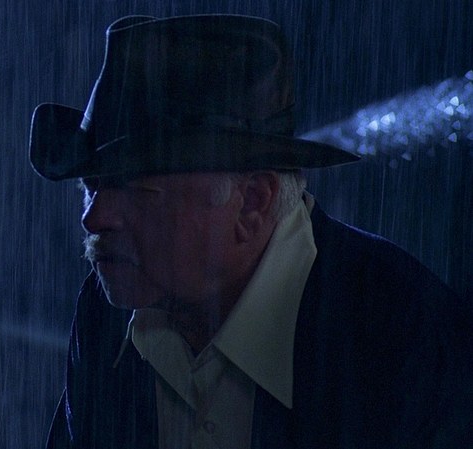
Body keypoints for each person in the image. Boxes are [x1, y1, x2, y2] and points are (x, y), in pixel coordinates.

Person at [28, 14, 473, 449]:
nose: (94, 218)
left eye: (138, 190)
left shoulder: (402, 332)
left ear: (253, 201)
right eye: (91, 187)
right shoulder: (106, 313)